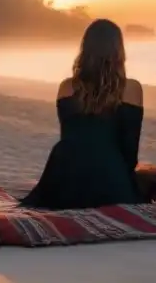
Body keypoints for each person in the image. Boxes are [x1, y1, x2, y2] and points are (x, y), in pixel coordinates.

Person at [21, 19, 144, 209]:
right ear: (119, 50)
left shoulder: (67, 87)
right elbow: (129, 151)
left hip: (62, 175)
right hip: (108, 174)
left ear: (85, 49)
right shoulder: (132, 89)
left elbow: (69, 138)